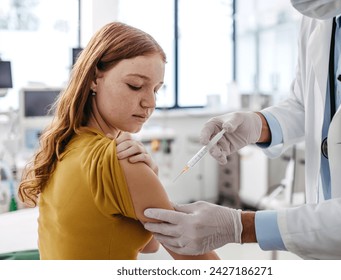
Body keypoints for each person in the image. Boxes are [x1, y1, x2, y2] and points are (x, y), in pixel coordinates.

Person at [142, 0, 341, 259]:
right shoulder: (320, 20)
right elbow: (305, 104)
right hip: (326, 241)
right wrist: (259, 124)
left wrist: (241, 226)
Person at [18, 22, 219, 260]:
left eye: (156, 90)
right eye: (135, 86)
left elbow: (149, 245)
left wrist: (150, 174)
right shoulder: (121, 161)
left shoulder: (64, 143)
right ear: (94, 78)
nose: (150, 103)